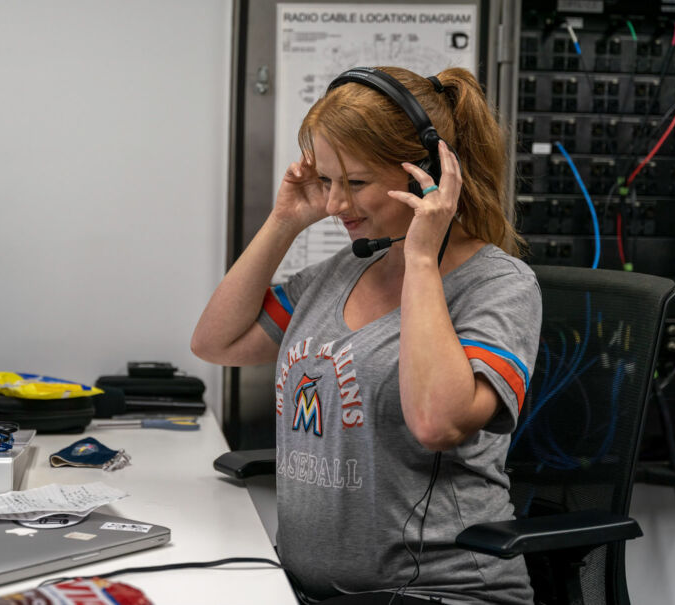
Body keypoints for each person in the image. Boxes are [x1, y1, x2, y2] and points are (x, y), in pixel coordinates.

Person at [191, 65, 541, 604]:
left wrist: (423, 256)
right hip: (312, 593)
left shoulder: (498, 285)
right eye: (327, 182)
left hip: (443, 595)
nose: (334, 206)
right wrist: (285, 219)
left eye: (354, 183)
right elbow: (217, 343)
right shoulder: (342, 272)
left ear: (425, 174)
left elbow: (435, 422)